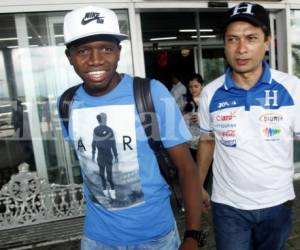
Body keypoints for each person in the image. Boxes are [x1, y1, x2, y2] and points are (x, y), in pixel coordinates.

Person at [60, 5, 202, 250]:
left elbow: (186, 167)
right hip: (97, 239)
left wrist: (193, 235)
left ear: (119, 52)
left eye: (106, 48)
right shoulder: (67, 102)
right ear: (69, 56)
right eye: (83, 50)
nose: (95, 59)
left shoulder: (151, 93)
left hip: (156, 237)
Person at [197, 2, 300, 250]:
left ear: (268, 42)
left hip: (278, 202)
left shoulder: (292, 88)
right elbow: (207, 140)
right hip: (228, 205)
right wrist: (198, 185)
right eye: (232, 39)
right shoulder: (211, 93)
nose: (241, 49)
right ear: (224, 44)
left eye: (251, 38)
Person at [92, 113, 118, 200]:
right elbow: (94, 142)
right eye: (103, 118)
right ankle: (104, 189)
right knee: (102, 173)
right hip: (101, 155)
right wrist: (93, 153)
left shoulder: (110, 130)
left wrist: (116, 155)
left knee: (109, 173)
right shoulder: (96, 129)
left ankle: (112, 190)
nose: (104, 119)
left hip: (108, 155)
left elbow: (113, 143)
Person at [182, 73, 203, 160]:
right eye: (191, 87)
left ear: (201, 86)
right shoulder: (185, 102)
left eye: (196, 86)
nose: (193, 89)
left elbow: (216, 121)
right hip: (190, 143)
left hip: (205, 142)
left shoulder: (207, 101)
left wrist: (201, 118)